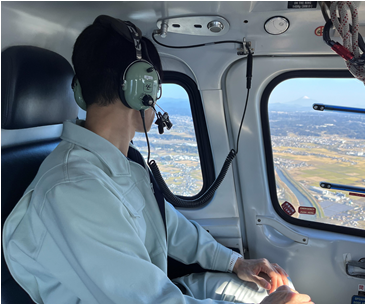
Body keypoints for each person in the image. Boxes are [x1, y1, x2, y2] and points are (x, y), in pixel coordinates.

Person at [3, 15, 313, 304]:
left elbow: (167, 224)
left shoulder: (120, 163)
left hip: (159, 288)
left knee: (262, 290)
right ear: (143, 88)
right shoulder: (75, 189)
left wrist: (235, 262)